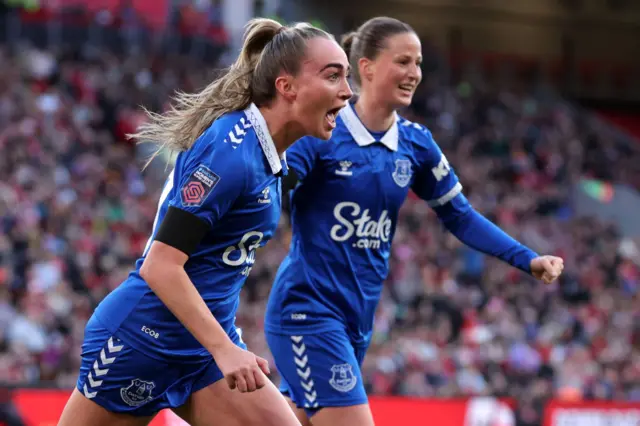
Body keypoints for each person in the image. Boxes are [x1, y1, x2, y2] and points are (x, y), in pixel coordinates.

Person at [264, 16, 564, 426]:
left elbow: (460, 216)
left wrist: (526, 258)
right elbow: (269, 187)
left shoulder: (415, 144)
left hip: (357, 321)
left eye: (418, 63)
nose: (414, 73)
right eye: (403, 61)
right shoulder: (322, 133)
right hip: (308, 312)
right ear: (366, 67)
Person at [57, 18, 352, 426]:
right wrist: (224, 349)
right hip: (143, 339)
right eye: (333, 75)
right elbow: (161, 265)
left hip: (201, 349)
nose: (347, 91)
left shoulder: (272, 155)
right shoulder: (231, 150)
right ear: (287, 86)